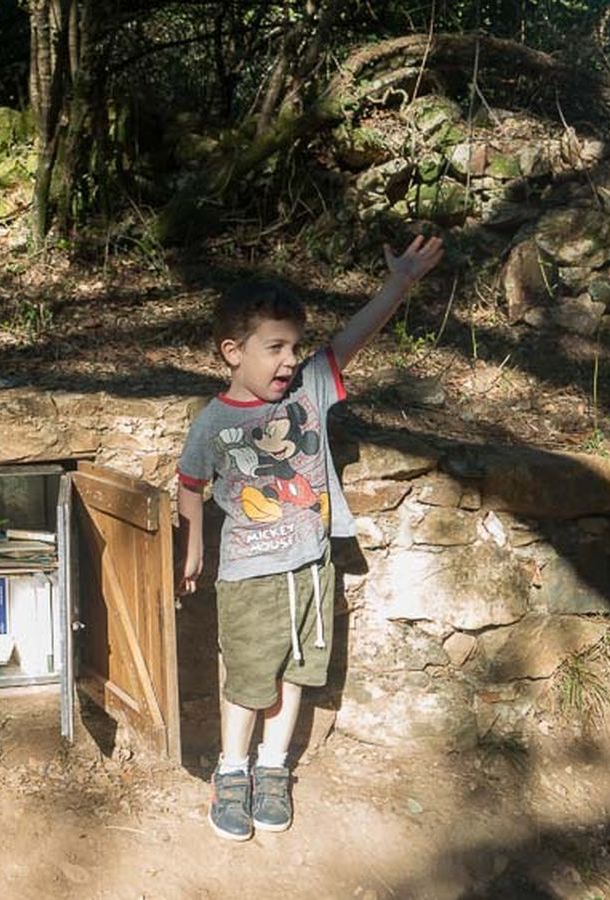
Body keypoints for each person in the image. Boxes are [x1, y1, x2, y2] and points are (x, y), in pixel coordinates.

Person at [176, 234, 445, 841]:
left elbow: (354, 335)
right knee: (248, 678)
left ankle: (273, 770)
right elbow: (189, 481)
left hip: (311, 568)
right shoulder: (213, 421)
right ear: (231, 352)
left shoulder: (310, 390)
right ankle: (232, 771)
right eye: (274, 348)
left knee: (297, 672)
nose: (288, 361)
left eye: (294, 347)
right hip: (247, 578)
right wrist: (193, 546)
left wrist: (399, 282)